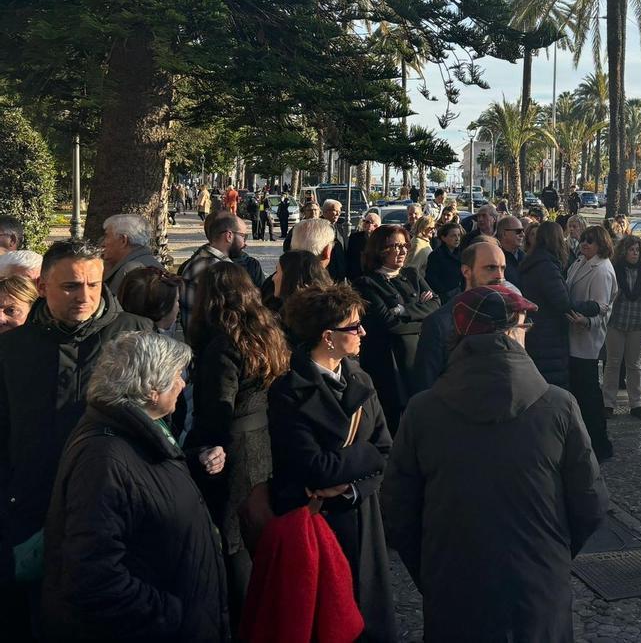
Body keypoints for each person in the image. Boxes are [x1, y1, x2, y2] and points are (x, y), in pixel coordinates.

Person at [384, 285, 608, 642]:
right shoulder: (559, 405)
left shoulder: (422, 410)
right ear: (512, 331)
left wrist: (434, 569)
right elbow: (590, 504)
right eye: (524, 326)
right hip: (537, 589)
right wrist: (548, 557)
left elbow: (397, 511)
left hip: (454, 586)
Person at [0, 241, 153, 635]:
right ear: (41, 286)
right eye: (70, 286)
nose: (83, 296)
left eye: (93, 284)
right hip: (29, 510)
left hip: (112, 507)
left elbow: (162, 421)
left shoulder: (136, 336)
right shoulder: (10, 349)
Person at [40, 331, 228, 642]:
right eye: (176, 375)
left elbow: (145, 486)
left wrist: (192, 461)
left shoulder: (136, 428)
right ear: (152, 388)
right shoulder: (103, 458)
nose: (183, 384)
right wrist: (173, 614)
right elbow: (92, 577)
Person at [270, 284, 394, 642]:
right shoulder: (287, 389)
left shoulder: (360, 377)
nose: (362, 333)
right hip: (319, 522)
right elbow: (315, 467)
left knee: (368, 614)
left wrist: (355, 488)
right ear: (328, 336)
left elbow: (385, 449)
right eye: (354, 327)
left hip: (362, 514)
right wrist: (366, 455)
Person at [187, 261, 290, 618]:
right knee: (256, 527)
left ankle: (246, 617)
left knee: (234, 538)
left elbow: (218, 406)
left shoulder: (222, 343)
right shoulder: (266, 330)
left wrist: (204, 447)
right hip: (263, 437)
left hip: (233, 446)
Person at [352, 225, 440, 432]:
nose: (402, 251)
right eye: (395, 246)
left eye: (405, 245)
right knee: (392, 422)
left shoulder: (412, 274)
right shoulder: (366, 283)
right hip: (389, 364)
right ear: (380, 249)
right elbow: (389, 323)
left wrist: (403, 310)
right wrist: (420, 310)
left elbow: (436, 305)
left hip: (418, 358)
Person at [411, 240, 507, 394]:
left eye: (503, 268)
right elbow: (425, 388)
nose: (499, 276)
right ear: (466, 271)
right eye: (490, 268)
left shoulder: (511, 317)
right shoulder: (440, 323)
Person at [520, 221, 600, 389]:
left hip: (538, 330)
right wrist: (593, 307)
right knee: (552, 386)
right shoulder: (547, 266)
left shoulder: (534, 261)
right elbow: (563, 302)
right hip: (548, 334)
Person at [566, 225, 618, 461]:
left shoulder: (602, 270)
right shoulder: (580, 262)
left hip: (586, 337)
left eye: (591, 241)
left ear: (601, 244)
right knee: (583, 391)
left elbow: (602, 307)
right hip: (573, 334)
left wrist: (587, 321)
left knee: (589, 394)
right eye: (584, 239)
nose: (585, 243)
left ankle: (600, 442)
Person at [603, 235, 641, 420]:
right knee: (613, 363)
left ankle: (636, 403)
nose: (634, 253)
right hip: (616, 323)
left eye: (637, 250)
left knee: (634, 364)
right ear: (623, 251)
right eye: (631, 250)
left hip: (638, 323)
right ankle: (608, 402)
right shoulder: (615, 270)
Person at [178, 213, 248, 332]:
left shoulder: (192, 263)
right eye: (243, 236)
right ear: (229, 235)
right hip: (214, 344)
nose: (245, 243)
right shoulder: (222, 270)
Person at [100, 213, 163, 293]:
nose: (103, 243)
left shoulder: (128, 272)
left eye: (107, 236)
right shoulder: (151, 264)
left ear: (123, 241)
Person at [263, 250, 332, 317]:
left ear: (290, 278)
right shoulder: (274, 306)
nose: (273, 278)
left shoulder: (310, 320)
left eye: (277, 272)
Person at [117, 266, 183, 334]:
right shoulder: (155, 343)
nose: (179, 308)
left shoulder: (113, 333)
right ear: (162, 308)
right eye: (177, 300)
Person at [425, 222, 466, 302]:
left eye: (458, 235)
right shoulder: (436, 255)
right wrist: (445, 292)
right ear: (443, 238)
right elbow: (431, 278)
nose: (457, 238)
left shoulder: (462, 253)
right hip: (445, 296)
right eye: (453, 235)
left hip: (460, 293)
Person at [345, 210, 382, 283]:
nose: (364, 223)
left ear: (376, 226)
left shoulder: (381, 239)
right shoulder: (354, 237)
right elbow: (349, 256)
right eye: (364, 221)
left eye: (368, 222)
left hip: (375, 277)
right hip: (356, 276)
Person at [320, 199, 350, 281]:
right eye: (335, 211)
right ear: (325, 212)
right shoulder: (318, 228)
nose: (338, 214)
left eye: (339, 211)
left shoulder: (339, 227)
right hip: (325, 273)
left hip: (339, 274)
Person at [495, 214, 526, 288]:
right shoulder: (494, 259)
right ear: (504, 234)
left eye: (523, 231)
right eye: (518, 231)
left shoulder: (526, 258)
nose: (523, 234)